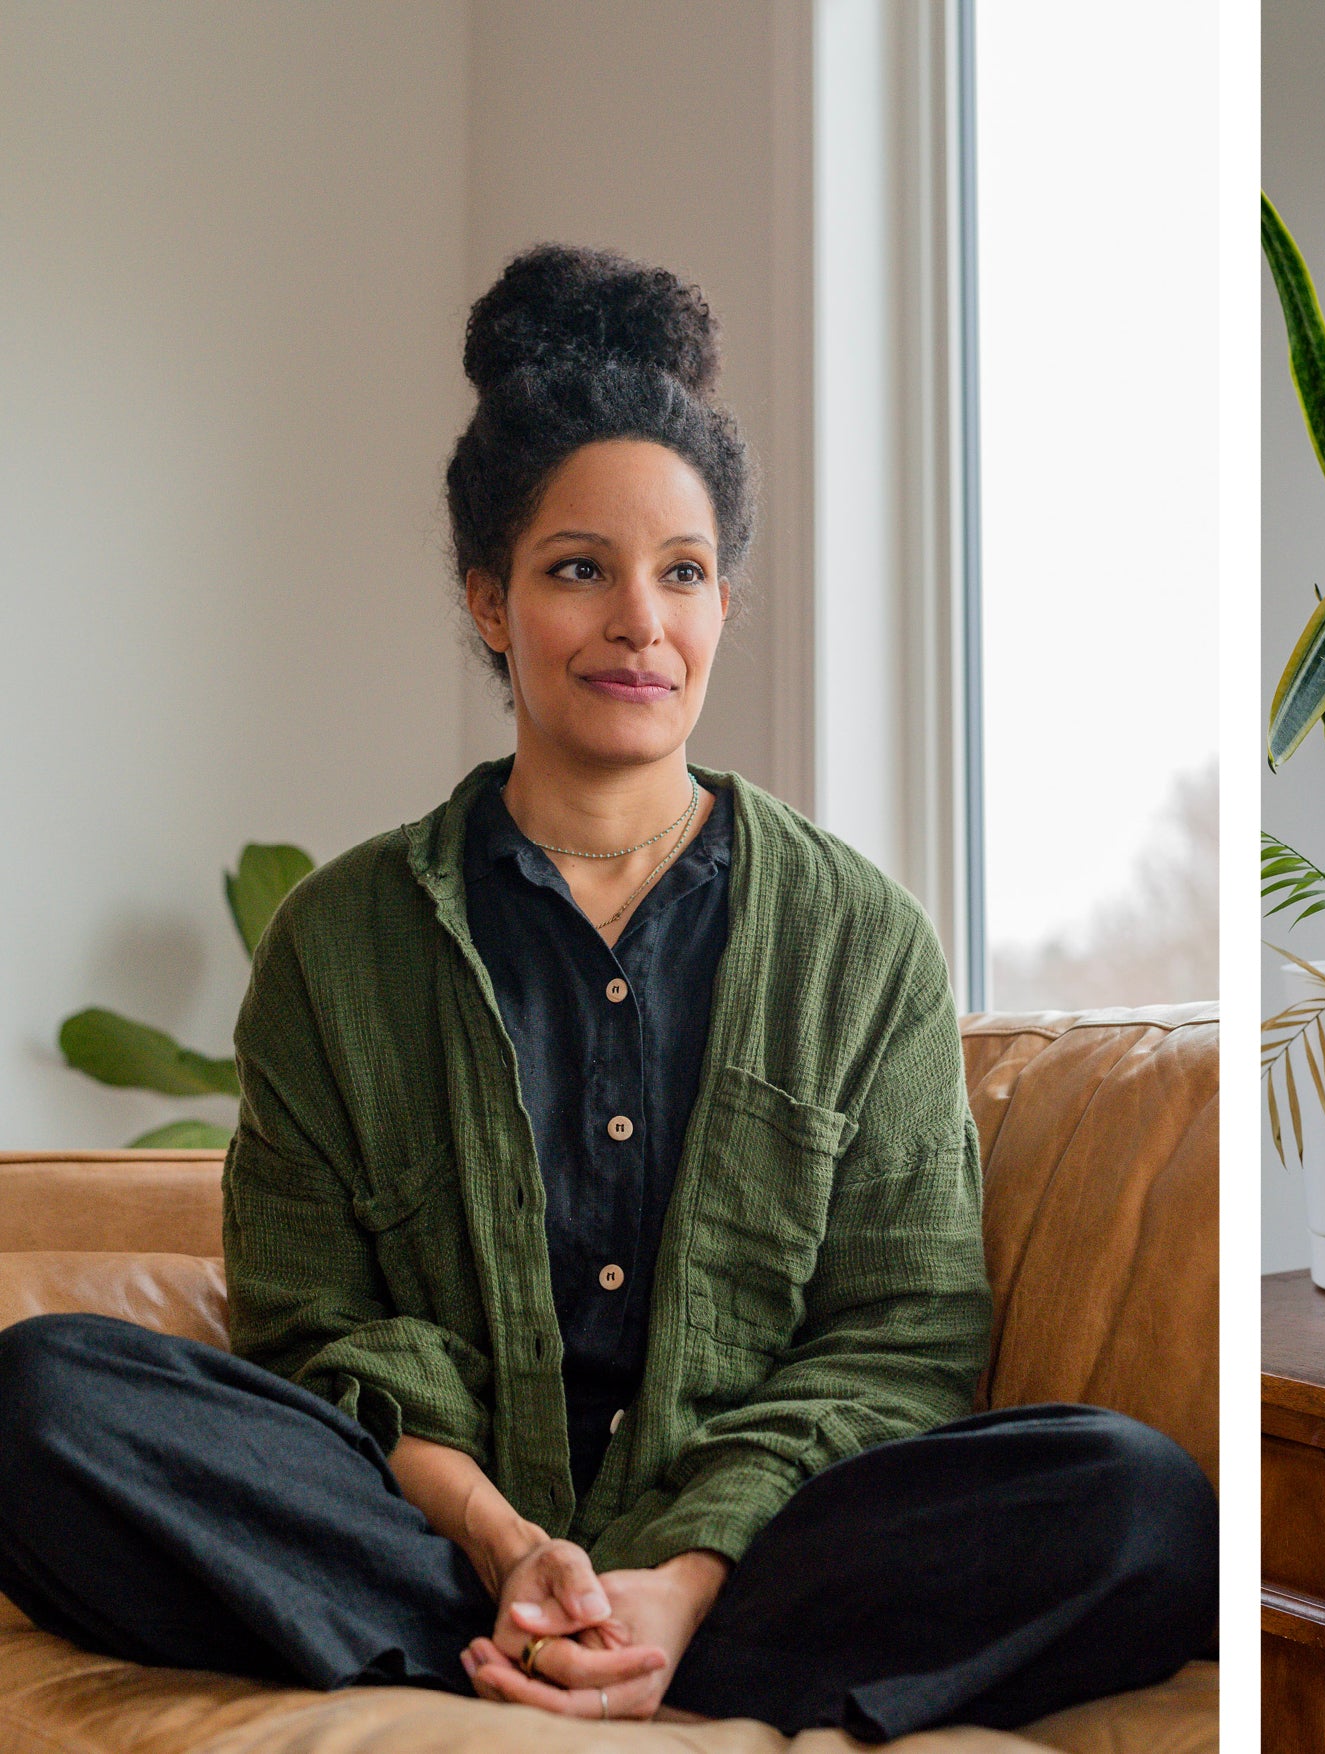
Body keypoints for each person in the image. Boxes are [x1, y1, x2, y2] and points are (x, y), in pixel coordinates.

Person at [0, 245, 1215, 1740]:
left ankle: (630, 1644)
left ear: (724, 601)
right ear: (490, 600)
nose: (641, 620)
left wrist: (684, 1572)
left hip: (755, 1557)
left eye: (684, 572)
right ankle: (519, 1630)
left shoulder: (864, 939)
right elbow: (315, 1334)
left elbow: (901, 1334)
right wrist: (509, 1546)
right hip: (434, 1542)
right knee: (37, 1400)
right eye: (580, 568)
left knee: (1141, 1503)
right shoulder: (337, 942)